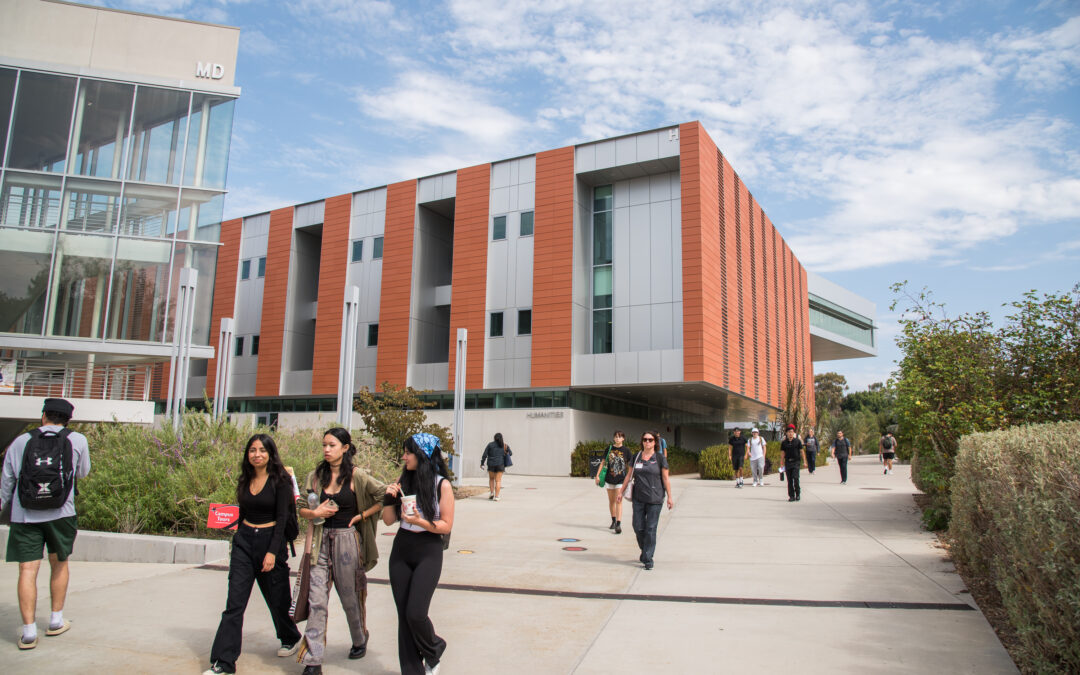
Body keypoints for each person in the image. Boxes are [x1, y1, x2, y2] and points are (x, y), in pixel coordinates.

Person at [205, 434, 302, 675]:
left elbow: (281, 520)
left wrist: (271, 552)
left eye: (262, 450)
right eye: (252, 450)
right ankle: (224, 662)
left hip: (270, 542)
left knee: (278, 599)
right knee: (234, 604)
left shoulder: (281, 481)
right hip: (244, 543)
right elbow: (243, 511)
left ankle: (289, 636)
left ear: (270, 453)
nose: (256, 454)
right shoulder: (245, 478)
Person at [0, 398, 90, 650]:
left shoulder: (20, 441)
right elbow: (82, 472)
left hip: (25, 514)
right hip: (62, 513)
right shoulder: (77, 440)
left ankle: (28, 632)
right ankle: (55, 620)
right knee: (59, 563)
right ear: (68, 420)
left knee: (27, 570)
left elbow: (7, 479)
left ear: (43, 416)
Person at [297, 428, 387, 675]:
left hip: (348, 543)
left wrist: (363, 515)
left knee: (351, 598)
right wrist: (315, 513)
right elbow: (302, 507)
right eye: (324, 445)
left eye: (332, 445)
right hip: (320, 542)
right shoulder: (315, 477)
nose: (327, 449)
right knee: (317, 601)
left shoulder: (358, 476)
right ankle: (313, 660)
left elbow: (383, 494)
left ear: (345, 448)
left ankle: (359, 638)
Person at [382, 433, 455, 675]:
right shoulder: (403, 480)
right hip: (402, 548)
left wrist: (421, 521)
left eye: (408, 452)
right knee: (403, 616)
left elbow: (446, 525)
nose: (404, 457)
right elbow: (389, 521)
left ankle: (434, 647)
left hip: (429, 550)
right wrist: (388, 499)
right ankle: (412, 671)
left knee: (416, 612)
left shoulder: (441, 484)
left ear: (422, 455)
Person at [616, 431, 673, 570]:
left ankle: (648, 558)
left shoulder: (659, 459)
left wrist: (670, 497)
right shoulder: (636, 457)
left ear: (655, 442)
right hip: (639, 498)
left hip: (655, 498)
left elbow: (665, 478)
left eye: (650, 440)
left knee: (651, 529)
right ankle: (645, 549)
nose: (647, 442)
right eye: (645, 440)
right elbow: (629, 475)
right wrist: (620, 491)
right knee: (638, 527)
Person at [594, 431, 632, 534]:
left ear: (623, 438)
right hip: (609, 478)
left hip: (621, 479)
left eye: (620, 437)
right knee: (611, 501)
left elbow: (630, 465)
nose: (617, 439)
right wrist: (597, 475)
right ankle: (613, 520)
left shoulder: (626, 450)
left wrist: (631, 477)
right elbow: (602, 463)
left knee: (618, 500)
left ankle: (618, 524)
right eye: (616, 437)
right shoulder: (609, 449)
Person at [479, 432, 511, 501]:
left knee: (491, 479)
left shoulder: (490, 445)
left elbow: (484, 455)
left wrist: (482, 463)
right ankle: (496, 497)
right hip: (500, 465)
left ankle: (491, 493)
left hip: (491, 464)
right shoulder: (505, 445)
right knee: (498, 481)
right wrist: (504, 452)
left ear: (494, 438)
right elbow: (510, 453)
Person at [780, 425, 808, 502]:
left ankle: (798, 494)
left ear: (794, 433)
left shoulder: (797, 441)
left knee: (795, 478)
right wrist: (781, 463)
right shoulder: (784, 443)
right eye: (789, 432)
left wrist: (805, 461)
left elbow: (802, 452)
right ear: (786, 433)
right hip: (788, 462)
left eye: (792, 432)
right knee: (789, 480)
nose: (790, 433)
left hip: (796, 462)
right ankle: (791, 496)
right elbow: (782, 453)